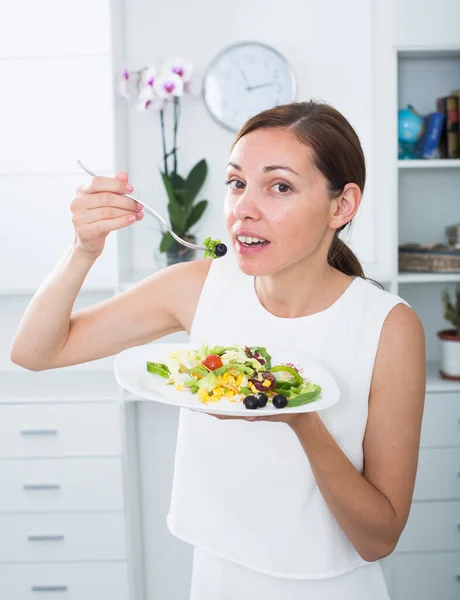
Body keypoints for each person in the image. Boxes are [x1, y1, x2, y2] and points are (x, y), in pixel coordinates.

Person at [11, 100, 426, 599]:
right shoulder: (199, 285)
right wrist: (83, 250)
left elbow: (378, 539)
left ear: (342, 205)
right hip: (215, 579)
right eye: (236, 183)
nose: (244, 209)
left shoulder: (388, 326)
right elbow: (35, 352)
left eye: (279, 186)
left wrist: (301, 418)